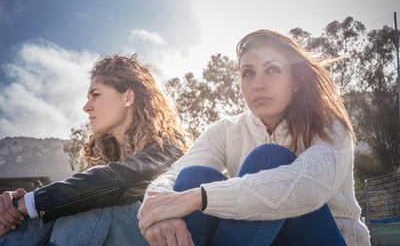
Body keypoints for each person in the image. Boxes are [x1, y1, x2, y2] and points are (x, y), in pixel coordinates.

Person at [138, 30, 371, 246]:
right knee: (194, 176)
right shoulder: (226, 131)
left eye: (272, 70)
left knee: (270, 160)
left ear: (296, 81)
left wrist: (197, 198)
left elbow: (308, 188)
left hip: (322, 237)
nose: (258, 84)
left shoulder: (329, 124)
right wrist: (159, 215)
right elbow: (170, 177)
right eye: (248, 73)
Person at [0, 54, 191, 245]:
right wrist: (11, 209)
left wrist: (29, 203)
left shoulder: (169, 148)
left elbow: (116, 181)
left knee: (95, 198)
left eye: (96, 95)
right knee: (40, 213)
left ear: (128, 97)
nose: (86, 107)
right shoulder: (111, 158)